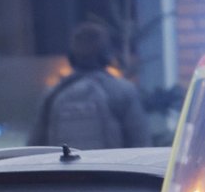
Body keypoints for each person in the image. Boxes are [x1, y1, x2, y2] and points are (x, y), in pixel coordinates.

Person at [29, 22, 151, 151]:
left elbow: (34, 147)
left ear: (72, 57)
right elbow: (141, 144)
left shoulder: (53, 94)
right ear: (106, 55)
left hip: (65, 171)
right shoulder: (122, 90)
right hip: (109, 169)